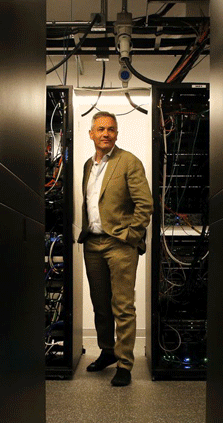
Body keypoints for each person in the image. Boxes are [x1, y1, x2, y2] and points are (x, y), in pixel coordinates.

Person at [77, 111, 153, 386]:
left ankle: (125, 363)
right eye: (100, 129)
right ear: (91, 134)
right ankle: (107, 351)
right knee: (100, 305)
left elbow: (145, 204)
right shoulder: (88, 165)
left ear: (116, 134)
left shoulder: (128, 161)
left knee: (123, 306)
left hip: (119, 244)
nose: (105, 133)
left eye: (110, 129)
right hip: (92, 244)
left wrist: (131, 236)